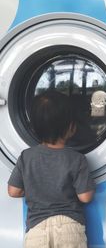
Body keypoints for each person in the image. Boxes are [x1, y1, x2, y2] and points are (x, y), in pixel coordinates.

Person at [8, 90, 95, 248]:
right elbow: (85, 197)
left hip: (37, 229)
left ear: (33, 127)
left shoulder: (26, 157)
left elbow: (14, 191)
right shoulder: (77, 158)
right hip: (70, 227)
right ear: (71, 126)